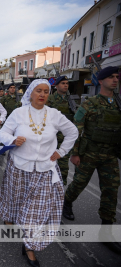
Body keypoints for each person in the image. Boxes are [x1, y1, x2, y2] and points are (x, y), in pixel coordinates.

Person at [0, 79, 78, 266]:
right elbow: (3, 133)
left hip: (44, 169)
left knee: (36, 211)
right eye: (38, 91)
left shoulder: (54, 114)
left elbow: (72, 132)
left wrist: (61, 152)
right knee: (16, 200)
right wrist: (12, 140)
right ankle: (10, 218)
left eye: (46, 91)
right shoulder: (18, 113)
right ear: (30, 93)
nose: (42, 94)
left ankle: (29, 246)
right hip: (19, 167)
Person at [63, 66, 121, 254]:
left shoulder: (118, 104)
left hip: (110, 155)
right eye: (111, 77)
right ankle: (67, 202)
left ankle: (106, 232)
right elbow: (77, 129)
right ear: (101, 80)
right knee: (79, 183)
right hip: (90, 152)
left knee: (111, 191)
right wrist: (75, 153)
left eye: (117, 77)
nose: (115, 80)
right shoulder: (90, 103)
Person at [47, 76, 75, 186]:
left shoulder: (72, 100)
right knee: (48, 162)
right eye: (63, 83)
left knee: (63, 165)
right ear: (56, 85)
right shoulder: (50, 99)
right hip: (51, 137)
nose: (66, 85)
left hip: (64, 138)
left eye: (67, 83)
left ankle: (60, 187)